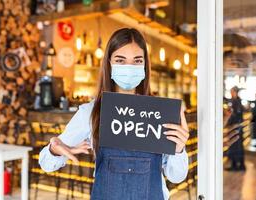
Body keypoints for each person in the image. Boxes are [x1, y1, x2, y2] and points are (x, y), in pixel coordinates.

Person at [39, 28, 189, 200]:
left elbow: (176, 176)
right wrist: (54, 151)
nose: (129, 67)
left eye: (137, 61)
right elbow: (45, 163)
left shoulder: (159, 113)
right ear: (109, 63)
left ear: (145, 66)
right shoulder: (91, 112)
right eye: (120, 60)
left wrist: (179, 150)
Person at [225, 86, 246, 171]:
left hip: (236, 128)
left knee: (235, 146)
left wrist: (229, 114)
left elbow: (236, 114)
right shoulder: (236, 101)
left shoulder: (236, 102)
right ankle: (238, 165)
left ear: (235, 92)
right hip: (236, 127)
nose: (231, 93)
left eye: (232, 92)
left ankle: (237, 166)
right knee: (236, 146)